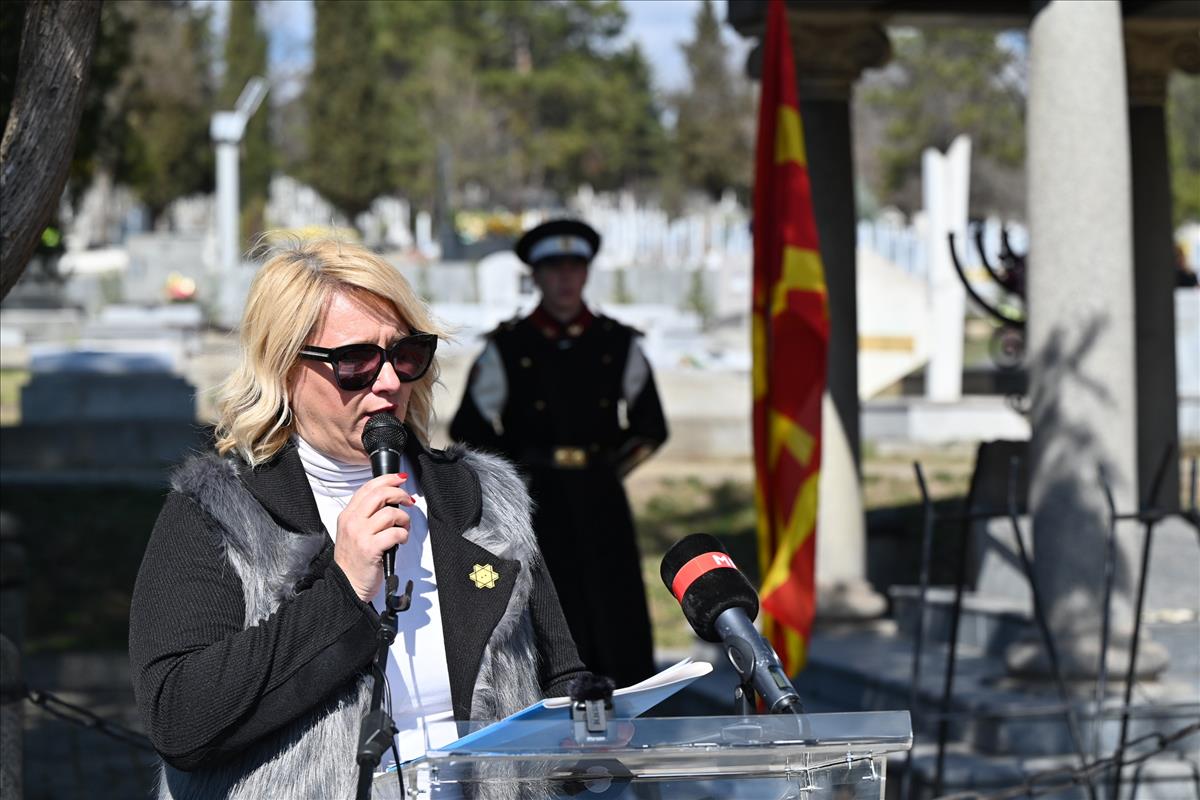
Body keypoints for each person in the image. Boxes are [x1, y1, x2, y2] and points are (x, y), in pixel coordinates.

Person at [129, 238, 586, 799]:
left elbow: (562, 679)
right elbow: (178, 720)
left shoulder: (485, 499)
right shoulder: (218, 511)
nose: (389, 381)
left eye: (406, 354)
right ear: (285, 368)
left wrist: (594, 729)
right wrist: (342, 590)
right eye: (355, 361)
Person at [450, 219, 668, 688]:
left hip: (602, 499)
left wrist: (608, 470)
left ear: (587, 273)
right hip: (538, 499)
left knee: (616, 607)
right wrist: (515, 476)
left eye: (575, 267)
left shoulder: (617, 342)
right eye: (553, 268)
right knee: (549, 603)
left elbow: (651, 427)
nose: (565, 278)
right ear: (536, 276)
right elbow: (469, 427)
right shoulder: (509, 346)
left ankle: (628, 699)